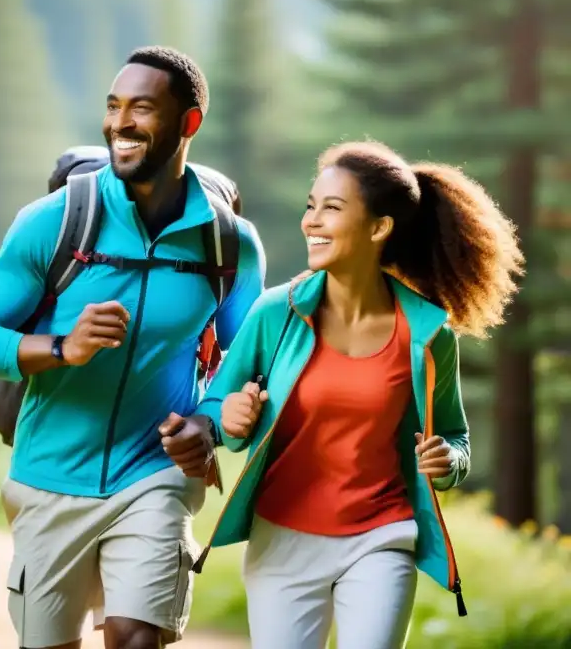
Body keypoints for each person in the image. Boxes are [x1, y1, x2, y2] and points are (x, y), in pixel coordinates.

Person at [0, 46, 267, 649]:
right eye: (113, 106)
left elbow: (246, 362)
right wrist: (61, 347)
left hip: (156, 473)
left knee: (136, 637)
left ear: (188, 123)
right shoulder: (55, 220)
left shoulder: (229, 243)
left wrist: (210, 422)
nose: (120, 123)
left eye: (142, 108)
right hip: (49, 475)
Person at [176, 140, 524, 649]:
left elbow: (455, 437)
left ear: (380, 228)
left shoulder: (427, 334)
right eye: (310, 206)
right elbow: (217, 409)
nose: (312, 221)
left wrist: (447, 460)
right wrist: (230, 419)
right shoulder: (277, 314)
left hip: (381, 537)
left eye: (331, 209)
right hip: (283, 538)